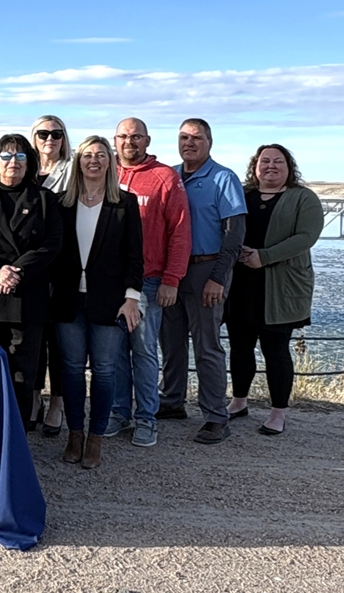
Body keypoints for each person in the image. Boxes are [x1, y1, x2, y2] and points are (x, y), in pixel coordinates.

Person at [51, 136, 143, 469]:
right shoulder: (61, 203)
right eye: (87, 155)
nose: (94, 160)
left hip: (110, 302)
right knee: (72, 371)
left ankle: (95, 438)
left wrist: (132, 298)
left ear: (110, 162)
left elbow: (135, 257)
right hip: (68, 300)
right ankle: (75, 434)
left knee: (104, 372)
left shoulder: (125, 204)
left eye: (101, 155)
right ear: (78, 162)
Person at [0, 134, 62, 429]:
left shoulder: (44, 199)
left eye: (19, 157)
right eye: (5, 156)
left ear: (29, 162)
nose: (12, 163)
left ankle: (16, 434)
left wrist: (15, 271)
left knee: (22, 373)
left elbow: (52, 244)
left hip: (27, 299)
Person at [104, 118, 192, 448]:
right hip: (109, 281)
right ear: (115, 140)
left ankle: (146, 417)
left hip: (149, 281)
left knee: (143, 350)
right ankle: (119, 411)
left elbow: (181, 232)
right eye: (124, 137)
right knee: (114, 352)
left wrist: (172, 279)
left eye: (136, 137)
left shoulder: (164, 178)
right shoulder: (105, 172)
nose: (130, 142)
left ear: (148, 140)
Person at [159, 118, 246, 445]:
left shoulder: (223, 178)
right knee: (171, 340)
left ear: (209, 142)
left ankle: (215, 417)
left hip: (205, 269)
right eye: (183, 137)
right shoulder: (170, 176)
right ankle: (172, 401)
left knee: (207, 346)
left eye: (196, 138)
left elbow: (234, 234)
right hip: (172, 273)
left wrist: (218, 278)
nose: (189, 143)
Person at [225, 145, 322, 435]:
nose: (271, 166)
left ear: (289, 167)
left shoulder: (303, 198)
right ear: (255, 166)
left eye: (278, 161)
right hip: (241, 284)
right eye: (264, 161)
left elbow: (306, 237)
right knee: (240, 348)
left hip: (281, 287)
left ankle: (278, 412)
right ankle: (239, 401)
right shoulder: (241, 194)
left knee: (275, 350)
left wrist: (263, 256)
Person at [29, 115, 73, 435]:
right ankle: (33, 396)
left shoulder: (73, 171)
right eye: (43, 133)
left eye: (56, 134)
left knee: (58, 337)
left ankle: (57, 400)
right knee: (34, 335)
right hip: (32, 267)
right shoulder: (23, 170)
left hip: (64, 264)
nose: (49, 139)